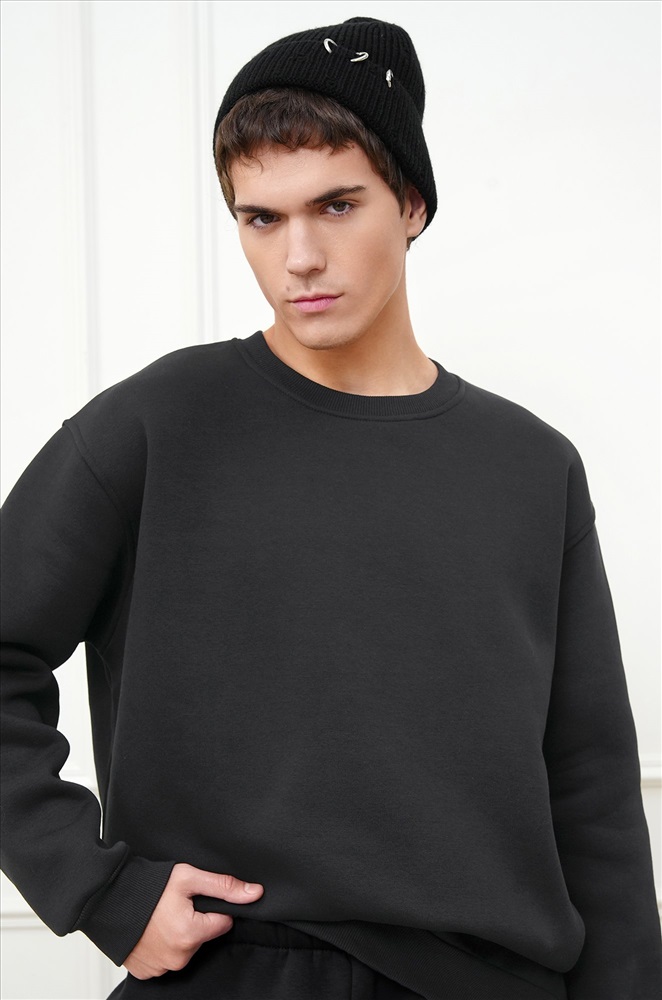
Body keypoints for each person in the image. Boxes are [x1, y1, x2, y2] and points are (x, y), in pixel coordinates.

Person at [1, 15, 660, 1000]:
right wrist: (97, 888)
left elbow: (593, 797)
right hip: (234, 971)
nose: (299, 256)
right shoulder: (155, 426)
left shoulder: (531, 467)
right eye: (261, 219)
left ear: (411, 202)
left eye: (336, 205)